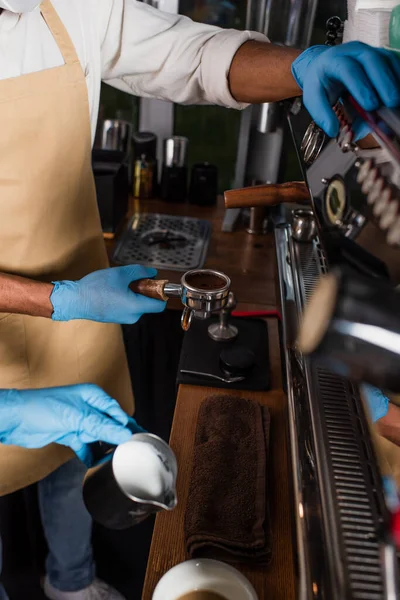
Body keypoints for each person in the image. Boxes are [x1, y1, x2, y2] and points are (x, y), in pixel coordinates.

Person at [0, 1, 399, 599]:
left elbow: (190, 54)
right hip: (64, 299)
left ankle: (73, 581)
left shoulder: (66, 5)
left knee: (75, 459)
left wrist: (305, 65)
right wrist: (55, 298)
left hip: (79, 305)